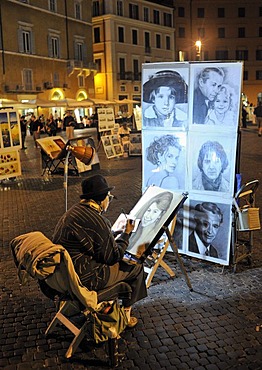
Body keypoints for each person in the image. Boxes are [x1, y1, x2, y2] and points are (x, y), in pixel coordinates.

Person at [52, 174, 147, 327]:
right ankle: (126, 316)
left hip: (62, 275)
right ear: (102, 198)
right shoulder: (99, 221)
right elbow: (112, 257)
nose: (109, 200)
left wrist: (111, 235)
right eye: (109, 196)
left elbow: (90, 240)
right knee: (136, 267)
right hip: (84, 277)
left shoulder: (73, 212)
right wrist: (126, 234)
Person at [127, 191, 173, 258]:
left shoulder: (153, 233)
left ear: (160, 215)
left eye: (155, 212)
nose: (148, 216)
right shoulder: (133, 226)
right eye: (148, 210)